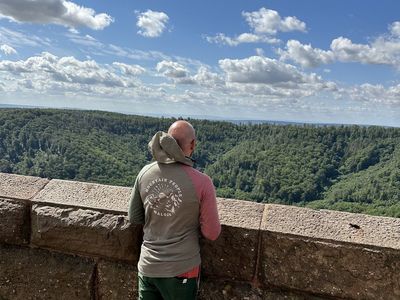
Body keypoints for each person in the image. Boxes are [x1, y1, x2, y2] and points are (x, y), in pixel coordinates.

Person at [128, 120, 221, 300]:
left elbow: (135, 217)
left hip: (148, 266)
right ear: (193, 144)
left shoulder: (145, 173)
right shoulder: (202, 182)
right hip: (182, 269)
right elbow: (212, 233)